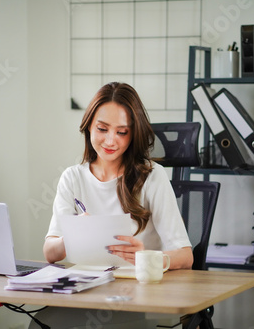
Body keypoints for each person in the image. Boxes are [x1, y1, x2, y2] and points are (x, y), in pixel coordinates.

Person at [28, 82, 193, 329]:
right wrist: (73, 235)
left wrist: (148, 258)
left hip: (138, 297)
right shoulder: (72, 177)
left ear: (133, 134)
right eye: (102, 129)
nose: (110, 140)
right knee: (40, 324)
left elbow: (186, 256)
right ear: (88, 126)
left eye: (122, 132)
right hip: (86, 292)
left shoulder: (152, 176)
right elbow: (51, 253)